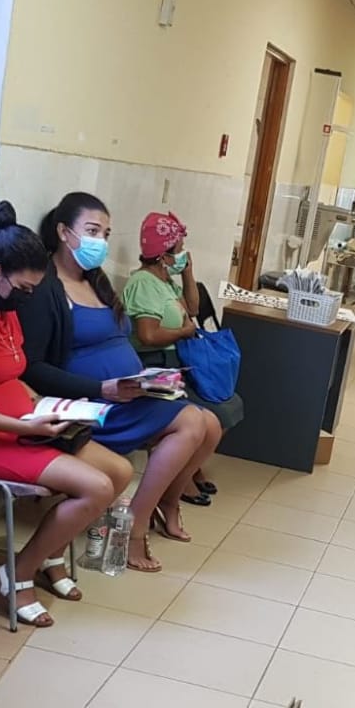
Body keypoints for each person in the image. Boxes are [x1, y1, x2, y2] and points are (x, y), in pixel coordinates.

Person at [0, 201, 132, 627]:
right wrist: (24, 423)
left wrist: (53, 409)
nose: (27, 297)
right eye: (24, 288)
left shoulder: (3, 308)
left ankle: (49, 556)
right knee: (94, 487)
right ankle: (17, 574)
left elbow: (15, 372)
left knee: (120, 471)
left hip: (25, 426)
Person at [18, 192, 221, 572]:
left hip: (123, 394)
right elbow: (32, 367)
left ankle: (164, 503)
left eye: (106, 234)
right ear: (63, 232)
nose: (101, 242)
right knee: (193, 421)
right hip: (90, 404)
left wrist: (149, 380)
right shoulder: (45, 287)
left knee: (210, 424)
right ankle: (132, 530)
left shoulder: (96, 281)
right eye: (92, 231)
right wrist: (102, 389)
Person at [122, 210, 243, 501]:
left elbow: (192, 307)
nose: (182, 254)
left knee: (231, 404)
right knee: (216, 413)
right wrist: (183, 332)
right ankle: (180, 479)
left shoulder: (164, 279)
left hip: (178, 361)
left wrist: (188, 272)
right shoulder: (142, 283)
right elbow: (148, 335)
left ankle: (191, 467)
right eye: (178, 250)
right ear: (163, 254)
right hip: (155, 366)